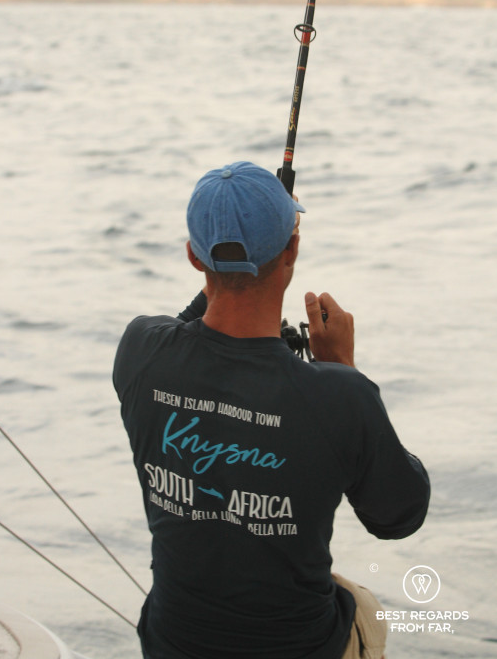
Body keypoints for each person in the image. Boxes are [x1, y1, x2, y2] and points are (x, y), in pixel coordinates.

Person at [113, 160, 430, 659]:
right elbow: (399, 516)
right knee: (364, 605)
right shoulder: (340, 396)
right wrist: (343, 367)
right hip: (301, 648)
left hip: (172, 642)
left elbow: (186, 326)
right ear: (294, 250)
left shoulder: (139, 351)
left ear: (194, 256)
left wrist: (232, 265)